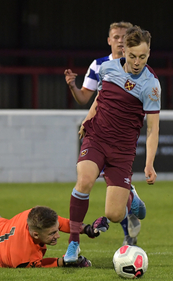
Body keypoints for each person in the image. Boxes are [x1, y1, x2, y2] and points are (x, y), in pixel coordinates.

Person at [63, 25, 160, 263]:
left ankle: (131, 199)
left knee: (114, 214)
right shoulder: (106, 67)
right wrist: (88, 118)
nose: (137, 62)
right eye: (133, 55)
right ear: (124, 50)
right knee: (84, 180)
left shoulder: (151, 84)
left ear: (149, 53)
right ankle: (73, 245)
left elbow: (153, 128)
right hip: (97, 137)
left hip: (123, 149)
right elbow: (100, 96)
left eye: (143, 56)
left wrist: (149, 164)